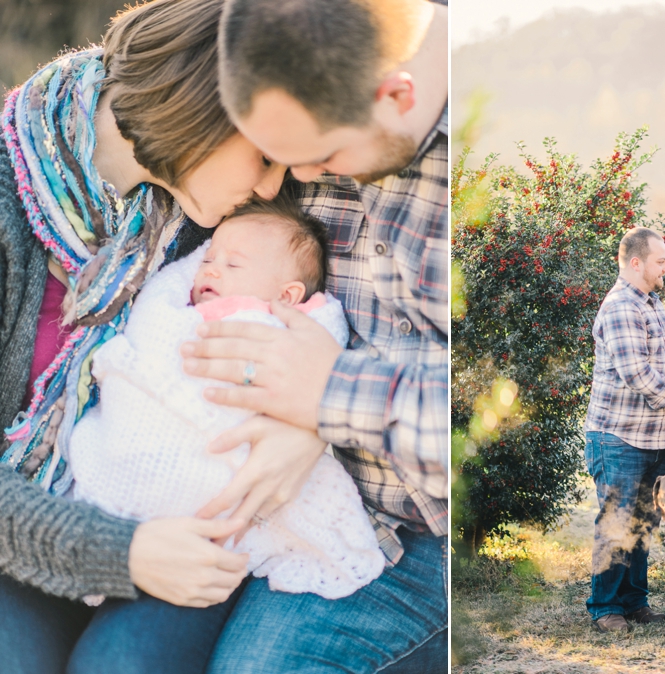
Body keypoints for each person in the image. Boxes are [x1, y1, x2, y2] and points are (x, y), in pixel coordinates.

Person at [0, 1, 293, 672]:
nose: (275, 187)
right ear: (203, 109)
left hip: (181, 524)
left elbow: (292, 328)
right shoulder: (7, 196)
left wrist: (302, 425)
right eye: (268, 158)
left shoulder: (201, 225)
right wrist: (121, 551)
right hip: (28, 536)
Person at [182, 0, 449, 670]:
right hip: (313, 502)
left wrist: (332, 396)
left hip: (436, 537)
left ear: (397, 95)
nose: (297, 181)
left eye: (321, 157)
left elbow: (508, 415)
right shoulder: (305, 107)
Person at [68, 193, 386, 600]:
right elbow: (153, 319)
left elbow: (325, 347)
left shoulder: (292, 321)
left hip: (229, 453)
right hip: (147, 418)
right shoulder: (178, 309)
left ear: (287, 296)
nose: (212, 270)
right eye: (207, 259)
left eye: (232, 264)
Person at [583, 226, 665, 634]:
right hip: (618, 438)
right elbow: (638, 375)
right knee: (617, 521)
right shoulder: (622, 306)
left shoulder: (652, 303)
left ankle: (634, 600)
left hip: (651, 439)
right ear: (636, 263)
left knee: (643, 521)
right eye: (660, 261)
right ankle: (605, 606)